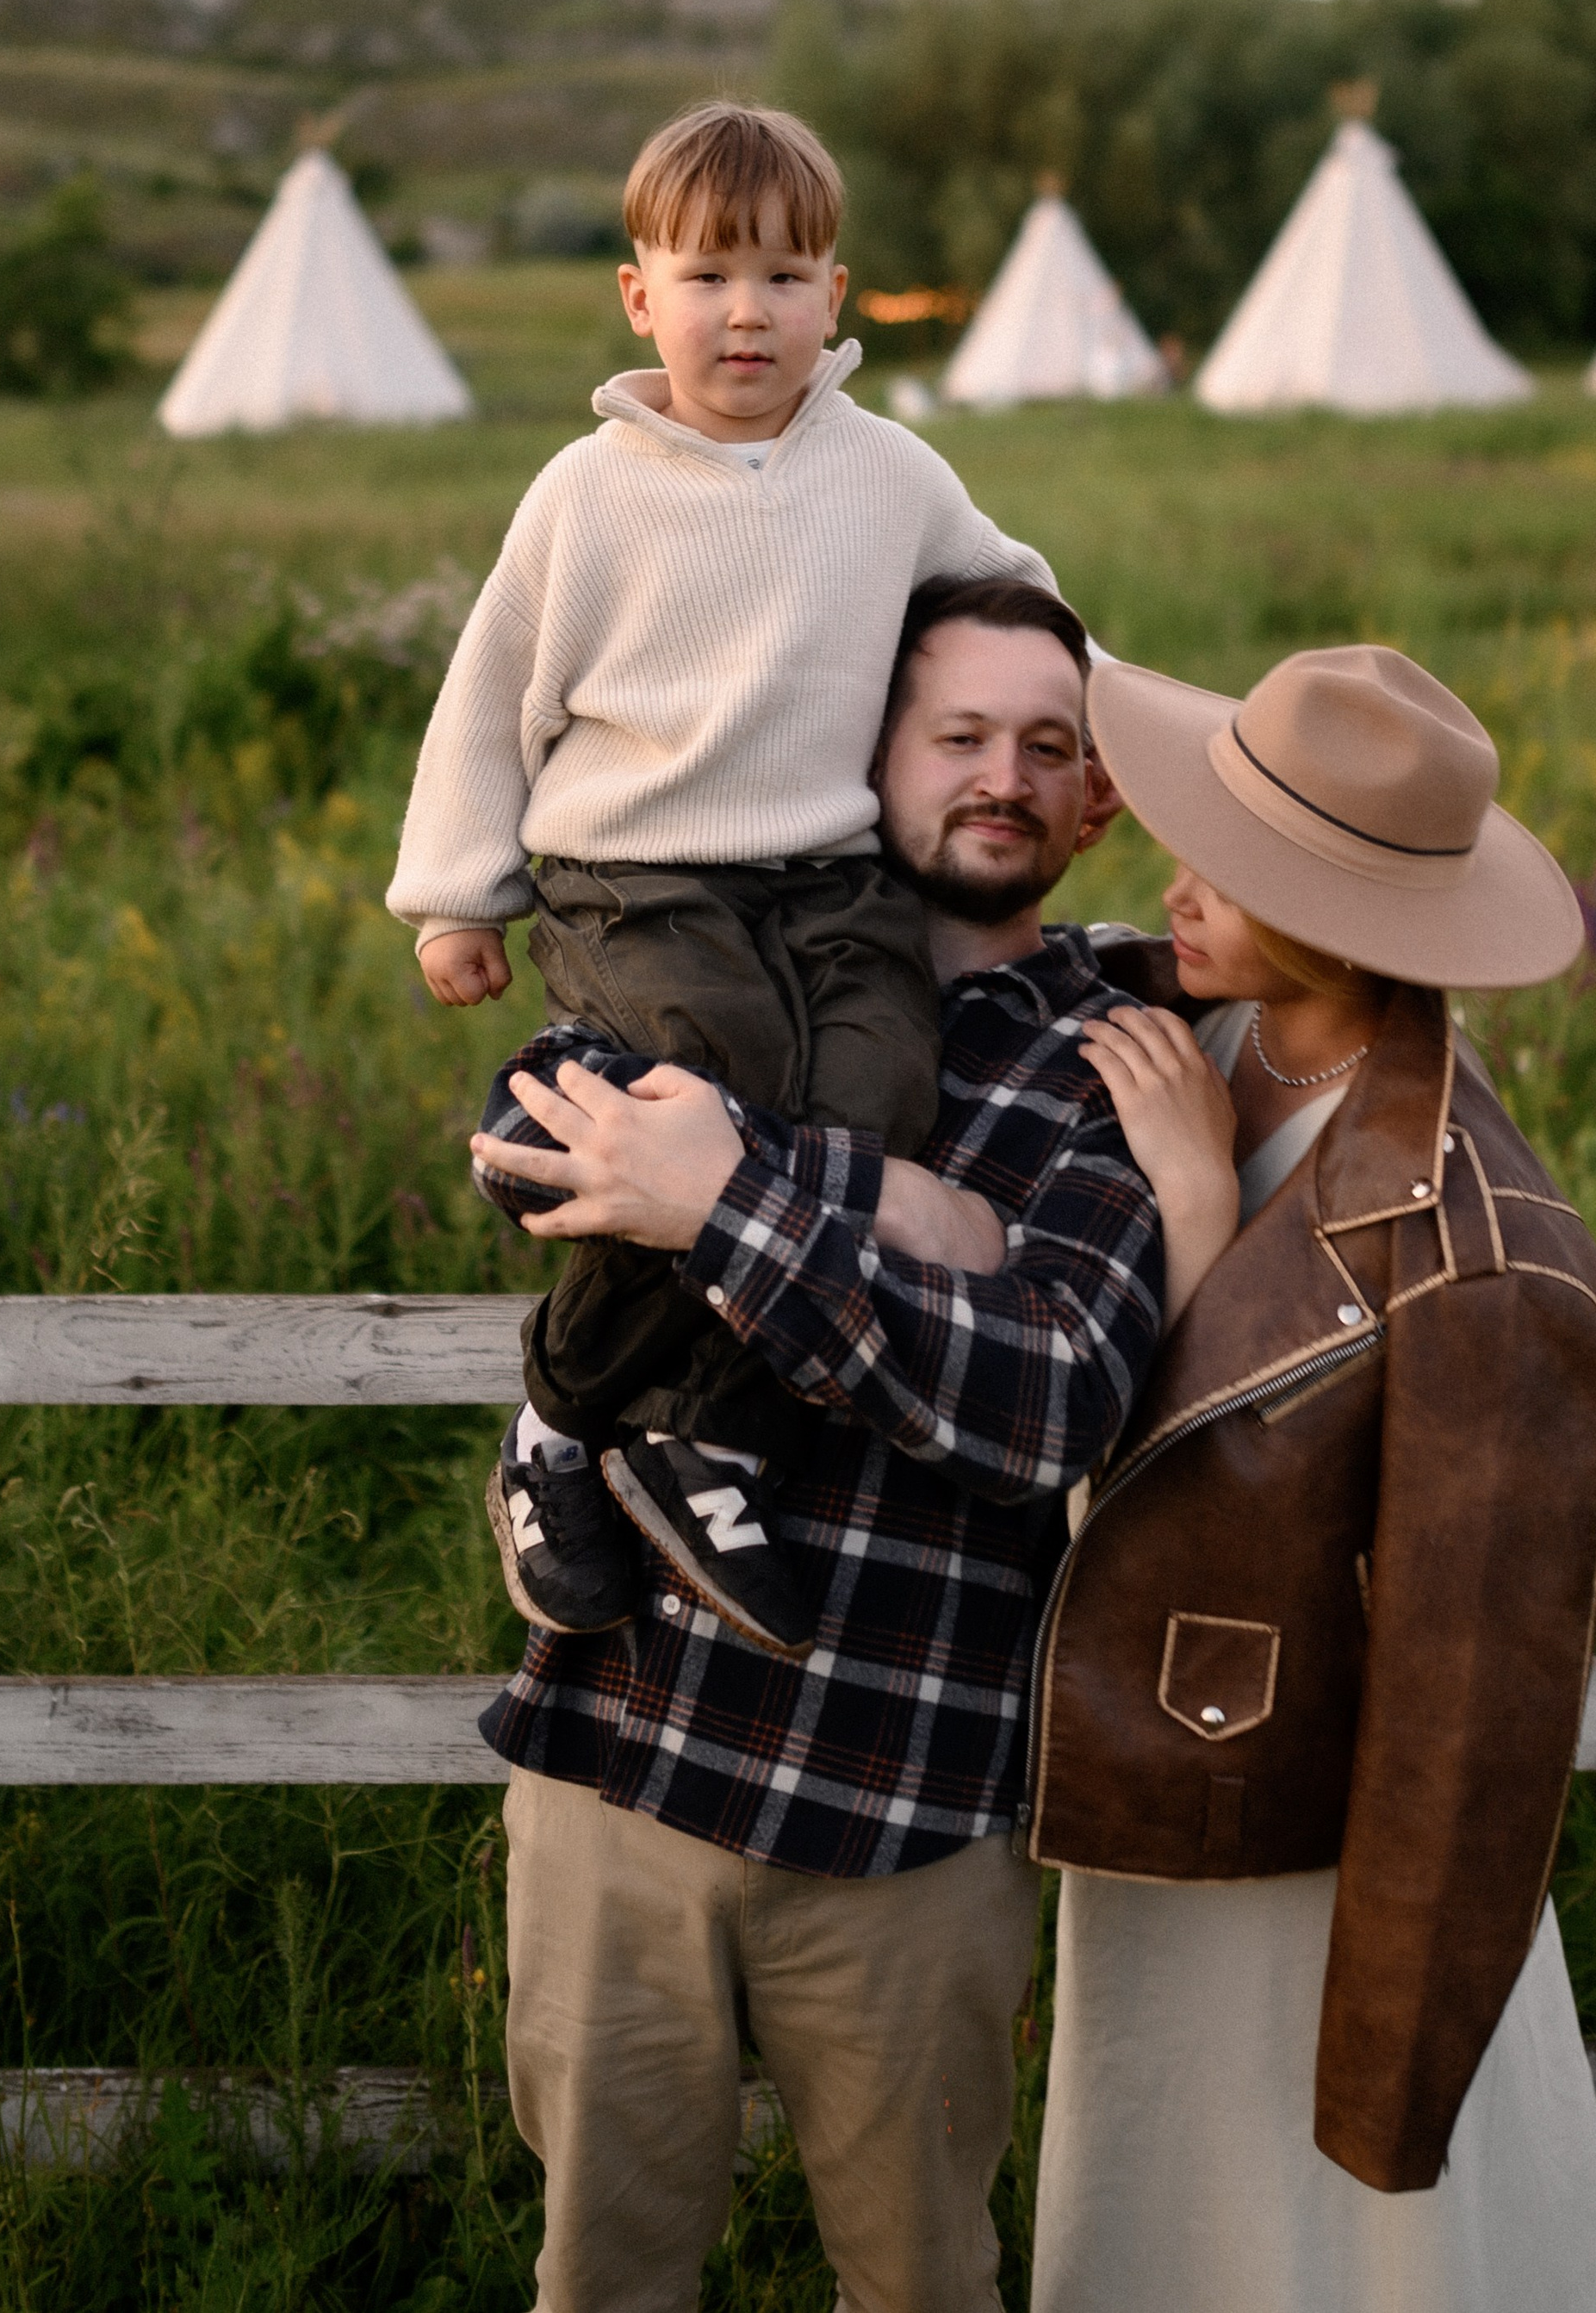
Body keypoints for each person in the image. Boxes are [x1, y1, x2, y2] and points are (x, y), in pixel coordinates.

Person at [464, 576, 1162, 2313]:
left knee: (921, 2282)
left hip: (908, 1796)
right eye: (957, 735)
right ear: (862, 752)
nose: (1000, 775)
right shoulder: (705, 943)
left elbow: (1048, 1390)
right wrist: (893, 1205)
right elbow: (532, 1144)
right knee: (600, 2274)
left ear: (1096, 798)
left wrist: (724, 1190)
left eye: (1046, 747)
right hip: (625, 1751)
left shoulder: (1115, 1059)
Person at [386, 101, 1052, 1657]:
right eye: (705, 276)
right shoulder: (588, 492)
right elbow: (493, 692)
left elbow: (1012, 591)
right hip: (638, 874)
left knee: (877, 1107)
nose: (744, 311)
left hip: (827, 877)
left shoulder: (887, 472)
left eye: (783, 276)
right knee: (717, 1083)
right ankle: (560, 1424)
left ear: (840, 298)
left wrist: (1107, 723)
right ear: (640, 295)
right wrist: (454, 895)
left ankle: (692, 1433)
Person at [1028, 642, 1596, 2313]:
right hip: (1168, 1804)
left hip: (1311, 1865)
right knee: (1161, 2208)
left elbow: (1471, 1715)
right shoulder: (1167, 1023)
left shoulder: (1484, 1254)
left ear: (1345, 912)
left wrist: (1198, 1223)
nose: (1174, 873)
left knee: (1344, 2250)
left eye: (1236, 860)